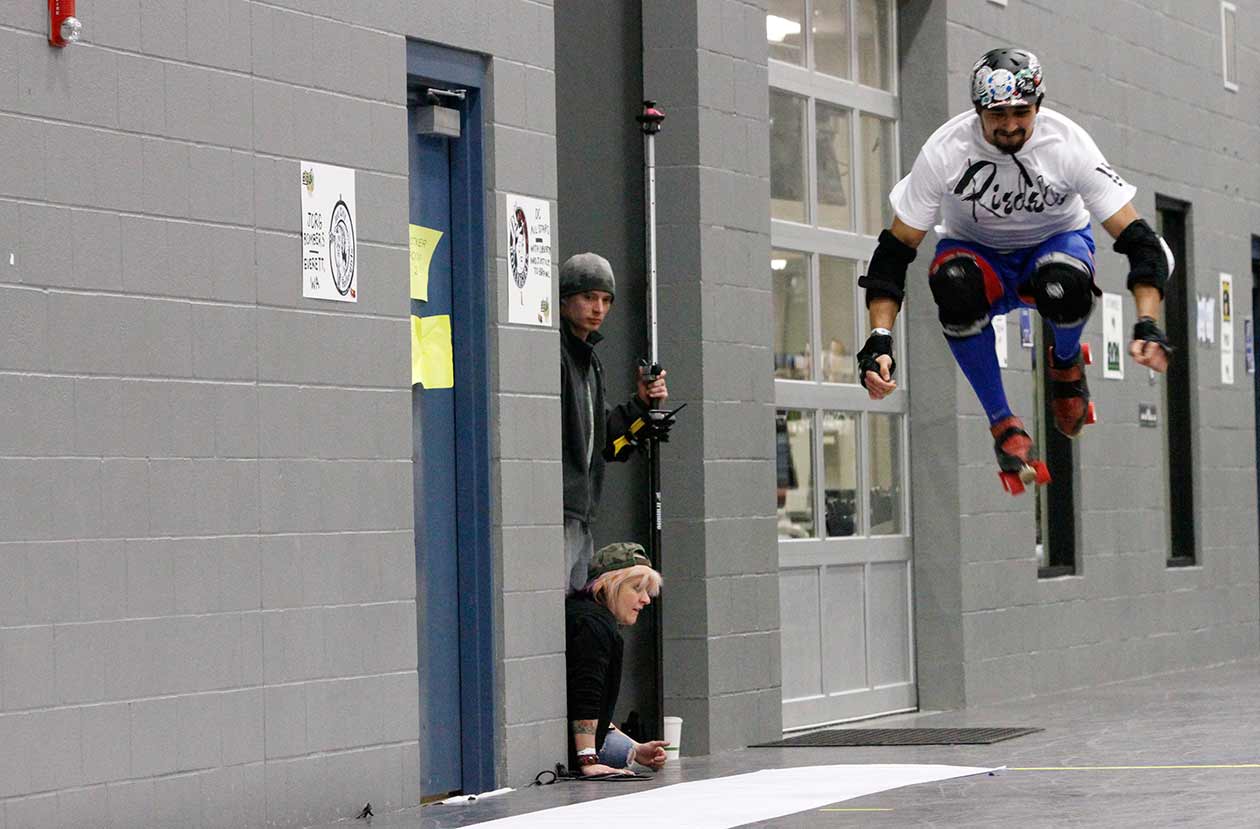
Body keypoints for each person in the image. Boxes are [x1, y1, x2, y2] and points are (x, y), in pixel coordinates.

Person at [855, 48, 1173, 490]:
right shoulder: (945, 151)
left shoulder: (1068, 145)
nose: (1009, 125)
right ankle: (1002, 422)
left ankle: (1066, 363)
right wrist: (879, 338)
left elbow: (1142, 244)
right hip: (977, 254)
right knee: (953, 283)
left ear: (1038, 106)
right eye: (996, 114)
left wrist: (1147, 322)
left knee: (1062, 282)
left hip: (1054, 245)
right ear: (977, 112)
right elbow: (894, 252)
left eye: (1021, 112)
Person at [560, 253, 668, 592]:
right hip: (559, 511)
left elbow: (606, 440)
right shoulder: (557, 355)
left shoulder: (590, 363)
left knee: (577, 603)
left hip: (581, 514)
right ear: (564, 299)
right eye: (588, 297)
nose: (598, 309)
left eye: (606, 300)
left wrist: (642, 404)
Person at [565, 542, 670, 776]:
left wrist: (636, 748)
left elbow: (596, 709)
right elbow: (585, 697)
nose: (646, 600)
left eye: (648, 591)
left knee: (625, 753)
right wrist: (588, 761)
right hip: (574, 749)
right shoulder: (594, 625)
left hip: (583, 741)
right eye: (637, 588)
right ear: (609, 585)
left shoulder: (589, 616)